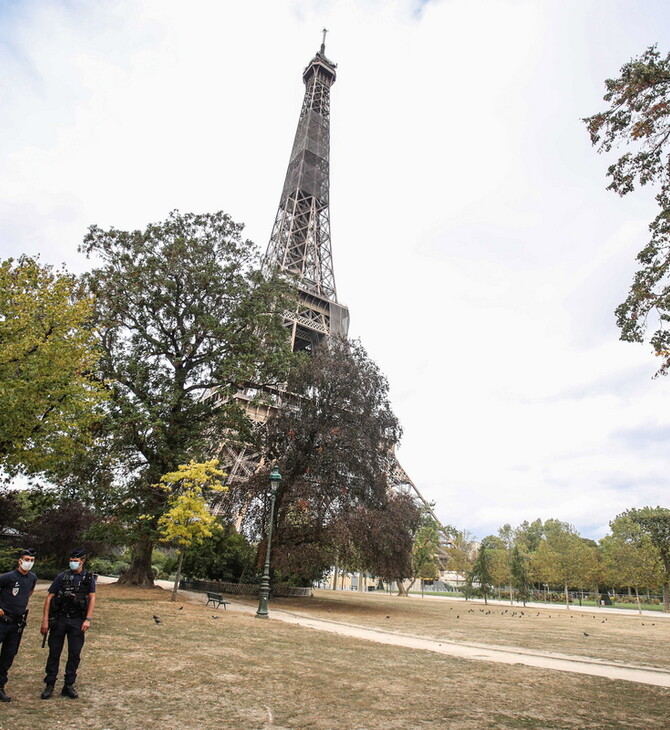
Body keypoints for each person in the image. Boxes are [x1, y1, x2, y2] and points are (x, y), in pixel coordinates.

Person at [40, 548, 96, 699]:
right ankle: (50, 683)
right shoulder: (62, 577)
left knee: (75, 653)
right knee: (54, 652)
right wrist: (45, 620)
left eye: (75, 561)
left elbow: (92, 599)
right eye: (71, 560)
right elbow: (49, 597)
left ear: (82, 561)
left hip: (78, 620)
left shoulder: (88, 578)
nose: (73, 563)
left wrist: (88, 619)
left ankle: (68, 684)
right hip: (60, 619)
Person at [0, 548, 37, 702]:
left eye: (32, 560)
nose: (29, 563)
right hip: (2, 621)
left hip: (17, 624)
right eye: (26, 559)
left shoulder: (32, 578)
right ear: (20, 560)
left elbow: (29, 593)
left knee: (8, 656)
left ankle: (0, 686)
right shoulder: (7, 577)